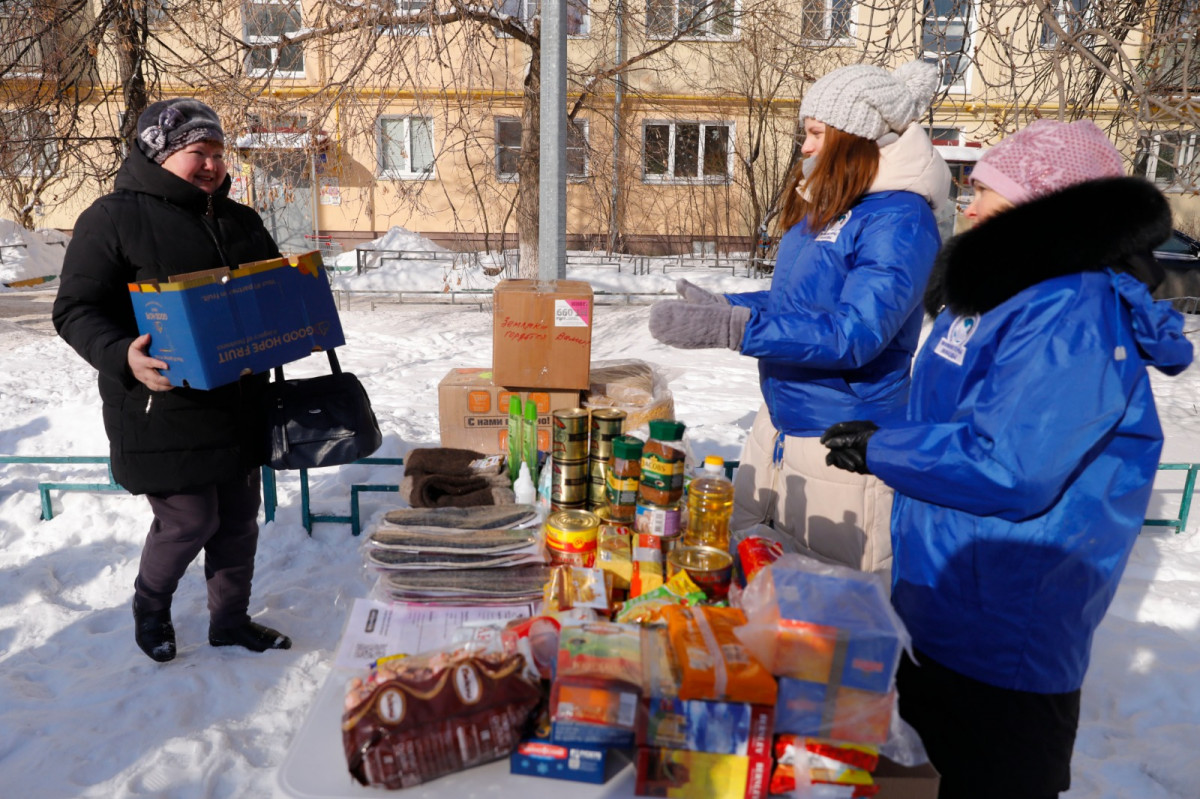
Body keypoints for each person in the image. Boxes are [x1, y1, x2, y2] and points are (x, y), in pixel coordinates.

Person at [820, 119, 1193, 798]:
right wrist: (886, 434)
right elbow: (961, 413)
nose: (970, 203)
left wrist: (885, 449)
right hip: (949, 600)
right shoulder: (1004, 290)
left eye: (989, 190)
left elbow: (1014, 464)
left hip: (1006, 632)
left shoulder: (1069, 309)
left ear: (1042, 207)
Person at [649, 61, 951, 582]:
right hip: (779, 430)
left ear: (854, 137)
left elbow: (854, 334)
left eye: (815, 134)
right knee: (755, 594)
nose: (805, 147)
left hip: (840, 446)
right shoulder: (836, 205)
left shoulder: (899, 219)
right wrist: (726, 303)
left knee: (829, 621)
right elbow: (798, 301)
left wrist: (736, 330)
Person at [53, 98, 292, 663]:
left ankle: (230, 621)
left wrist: (290, 308)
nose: (211, 164)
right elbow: (75, 308)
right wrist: (122, 355)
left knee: (236, 520)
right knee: (190, 519)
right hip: (159, 402)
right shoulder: (112, 218)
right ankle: (151, 606)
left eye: (216, 152)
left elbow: (272, 289)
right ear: (159, 154)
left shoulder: (241, 219)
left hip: (236, 398)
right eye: (197, 153)